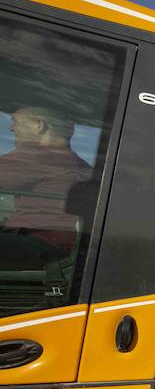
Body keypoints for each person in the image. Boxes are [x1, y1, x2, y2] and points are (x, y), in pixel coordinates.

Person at [0, 106, 96, 268]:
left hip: (39, 243)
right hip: (65, 248)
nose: (11, 128)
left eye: (15, 121)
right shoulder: (82, 166)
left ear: (39, 125)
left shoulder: (37, 157)